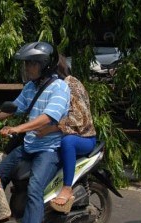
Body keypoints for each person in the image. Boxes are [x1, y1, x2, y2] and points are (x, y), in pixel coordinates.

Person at [0, 42, 70, 223]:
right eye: (27, 64)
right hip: (29, 146)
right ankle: (1, 217)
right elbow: (12, 108)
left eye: (31, 63)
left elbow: (49, 118)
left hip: (49, 150)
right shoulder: (31, 87)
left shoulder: (60, 88)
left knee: (35, 189)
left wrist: (18, 129)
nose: (27, 68)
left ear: (44, 65)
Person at [36, 54, 96, 213]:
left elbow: (77, 118)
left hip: (84, 138)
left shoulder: (70, 84)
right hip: (68, 134)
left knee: (67, 142)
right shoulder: (55, 85)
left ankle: (67, 188)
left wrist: (49, 129)